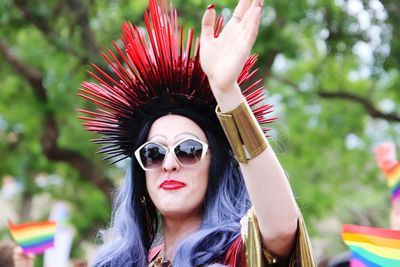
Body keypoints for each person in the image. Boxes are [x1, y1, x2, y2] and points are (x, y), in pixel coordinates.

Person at [12, 0, 315, 266]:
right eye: (153, 153)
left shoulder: (239, 253)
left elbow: (282, 228)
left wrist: (226, 92)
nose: (169, 164)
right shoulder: (118, 262)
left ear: (216, 164)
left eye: (188, 150)